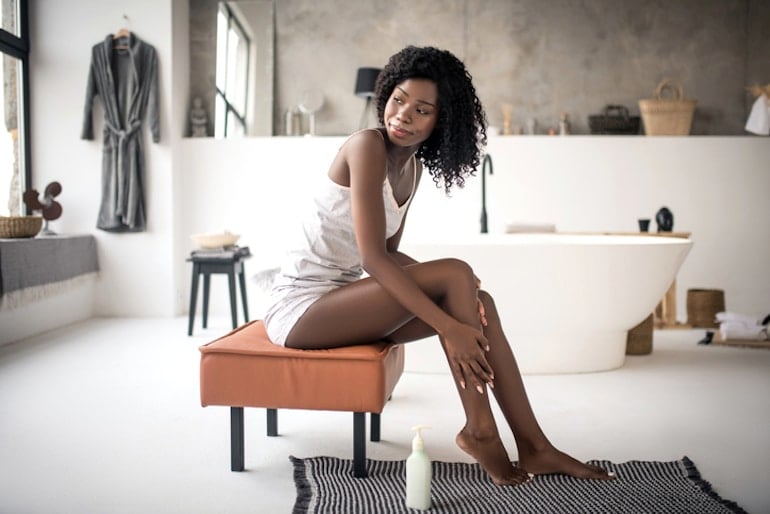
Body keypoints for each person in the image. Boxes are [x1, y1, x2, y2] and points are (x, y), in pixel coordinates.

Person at [264, 46, 614, 485]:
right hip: (302, 309)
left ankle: (535, 446)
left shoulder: (411, 170)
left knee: (476, 295)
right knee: (455, 274)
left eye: (422, 109)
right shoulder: (366, 146)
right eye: (398, 100)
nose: (403, 115)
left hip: (342, 302)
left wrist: (460, 292)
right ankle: (481, 430)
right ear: (385, 97)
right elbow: (373, 258)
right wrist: (449, 321)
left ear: (439, 122)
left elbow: (389, 255)